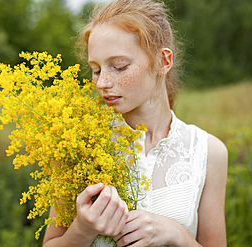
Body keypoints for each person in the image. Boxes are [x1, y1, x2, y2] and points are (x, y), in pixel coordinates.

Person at [43, 0, 228, 246]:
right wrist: (83, 229)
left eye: (119, 66)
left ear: (163, 61)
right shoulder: (77, 145)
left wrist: (176, 234)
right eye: (96, 70)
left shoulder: (208, 152)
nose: (102, 83)